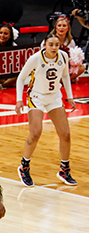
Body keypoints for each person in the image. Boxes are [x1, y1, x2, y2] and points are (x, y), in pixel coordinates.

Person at [15, 33, 77, 187]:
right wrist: (19, 100)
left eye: (57, 44)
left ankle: (64, 169)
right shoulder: (35, 58)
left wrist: (69, 97)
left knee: (66, 134)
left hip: (54, 97)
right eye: (51, 45)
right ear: (45, 45)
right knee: (35, 133)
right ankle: (24, 166)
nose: (54, 48)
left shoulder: (63, 56)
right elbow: (21, 78)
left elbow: (65, 76)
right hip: (37, 97)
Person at [44, 16, 85, 82]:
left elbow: (74, 57)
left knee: (82, 67)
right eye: (59, 26)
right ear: (56, 28)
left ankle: (62, 80)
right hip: (51, 65)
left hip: (65, 67)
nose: (61, 28)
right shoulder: (49, 39)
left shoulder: (71, 41)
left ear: (68, 28)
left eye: (64, 26)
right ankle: (64, 80)